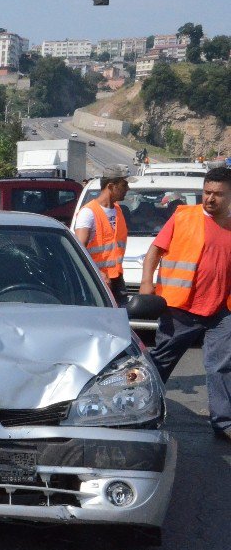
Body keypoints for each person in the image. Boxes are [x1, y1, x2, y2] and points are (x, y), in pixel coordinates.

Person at [140, 166, 231, 440]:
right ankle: (140, 411)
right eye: (207, 192)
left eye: (218, 194)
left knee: (221, 366)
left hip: (222, 310)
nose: (210, 199)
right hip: (181, 308)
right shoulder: (184, 217)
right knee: (160, 362)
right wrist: (147, 284)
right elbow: (154, 251)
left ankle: (223, 423)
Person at [74, 164, 131, 304]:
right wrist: (97, 273)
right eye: (124, 185)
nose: (128, 189)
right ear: (111, 186)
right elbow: (78, 251)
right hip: (95, 281)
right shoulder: (88, 213)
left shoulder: (118, 210)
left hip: (116, 278)